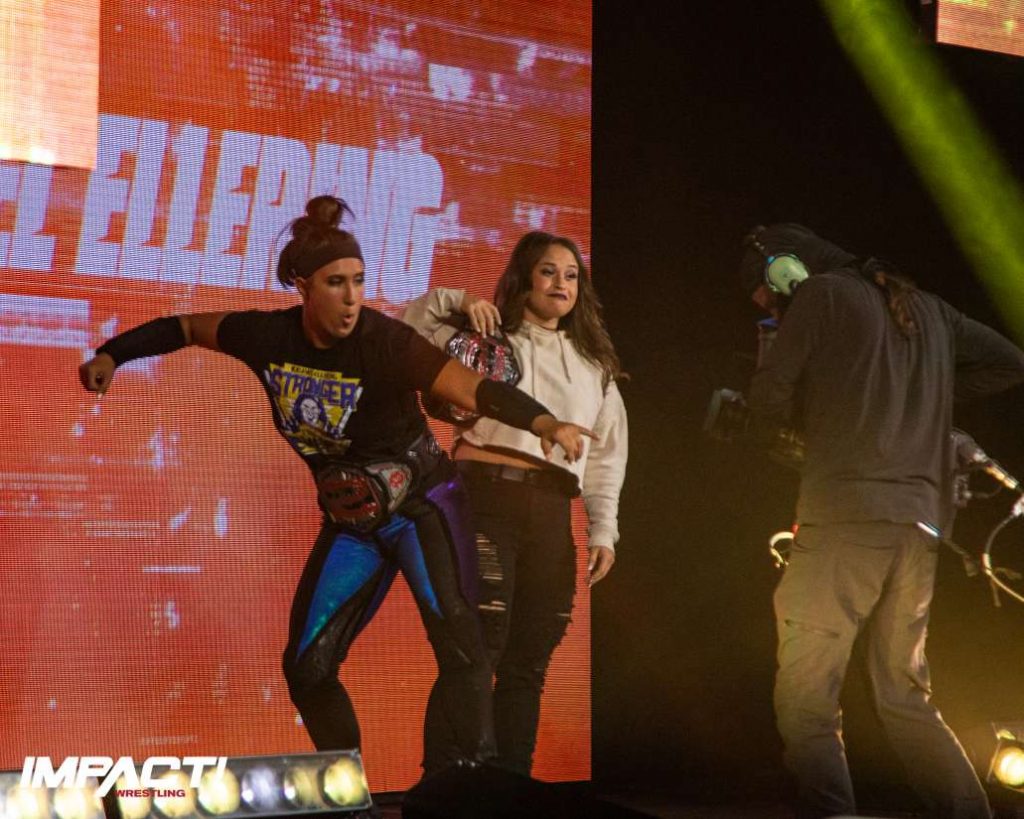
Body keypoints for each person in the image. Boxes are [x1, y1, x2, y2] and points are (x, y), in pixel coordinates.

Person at [77, 196, 595, 776]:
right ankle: (347, 792)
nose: (352, 298)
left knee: (465, 649)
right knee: (308, 669)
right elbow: (184, 328)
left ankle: (471, 790)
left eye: (359, 281)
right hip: (355, 526)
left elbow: (476, 390)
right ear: (303, 287)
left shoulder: (385, 341)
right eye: (335, 283)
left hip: (424, 509)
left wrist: (545, 423)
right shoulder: (266, 337)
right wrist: (112, 354)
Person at [739, 222, 1024, 819]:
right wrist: (922, 396)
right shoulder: (930, 308)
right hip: (920, 530)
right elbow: (1010, 362)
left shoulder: (820, 295)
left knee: (807, 698)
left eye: (769, 295)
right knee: (905, 696)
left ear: (787, 269)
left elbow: (768, 398)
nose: (772, 305)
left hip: (844, 520)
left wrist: (776, 426)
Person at [401, 230, 628, 776]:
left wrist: (603, 531)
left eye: (571, 275)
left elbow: (606, 458)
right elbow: (405, 328)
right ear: (524, 278)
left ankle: (511, 785)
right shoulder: (488, 339)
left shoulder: (595, 366)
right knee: (477, 647)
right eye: (548, 271)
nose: (560, 284)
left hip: (551, 512)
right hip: (485, 499)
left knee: (529, 660)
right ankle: (447, 783)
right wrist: (458, 300)